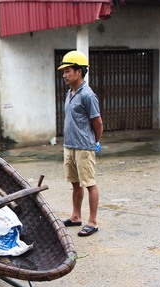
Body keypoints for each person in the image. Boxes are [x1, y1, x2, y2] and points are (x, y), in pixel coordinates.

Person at [57, 50, 103, 237]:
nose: (64, 75)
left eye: (68, 71)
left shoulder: (88, 95)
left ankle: (92, 221)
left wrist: (95, 142)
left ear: (79, 72)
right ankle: (76, 216)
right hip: (70, 146)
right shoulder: (70, 93)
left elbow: (98, 123)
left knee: (89, 184)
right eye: (64, 71)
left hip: (84, 147)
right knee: (76, 184)